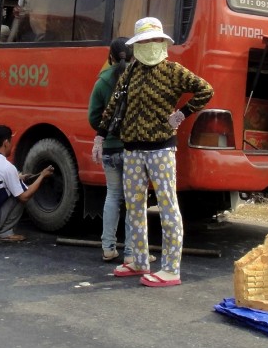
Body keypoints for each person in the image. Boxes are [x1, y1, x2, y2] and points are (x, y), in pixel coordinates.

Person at [94, 17, 213, 287]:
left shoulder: (173, 71)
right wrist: (100, 136)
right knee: (134, 207)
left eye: (153, 40)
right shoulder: (131, 72)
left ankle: (171, 268)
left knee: (168, 206)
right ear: (137, 45)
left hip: (161, 150)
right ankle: (139, 260)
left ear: (162, 42)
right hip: (133, 150)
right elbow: (113, 105)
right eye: (144, 41)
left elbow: (205, 90)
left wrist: (182, 114)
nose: (149, 45)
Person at [88, 37, 133, 262]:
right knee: (134, 199)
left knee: (113, 196)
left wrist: (105, 131)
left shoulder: (103, 80)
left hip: (110, 149)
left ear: (111, 56)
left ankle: (108, 248)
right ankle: (132, 254)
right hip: (132, 149)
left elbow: (93, 116)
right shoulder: (136, 79)